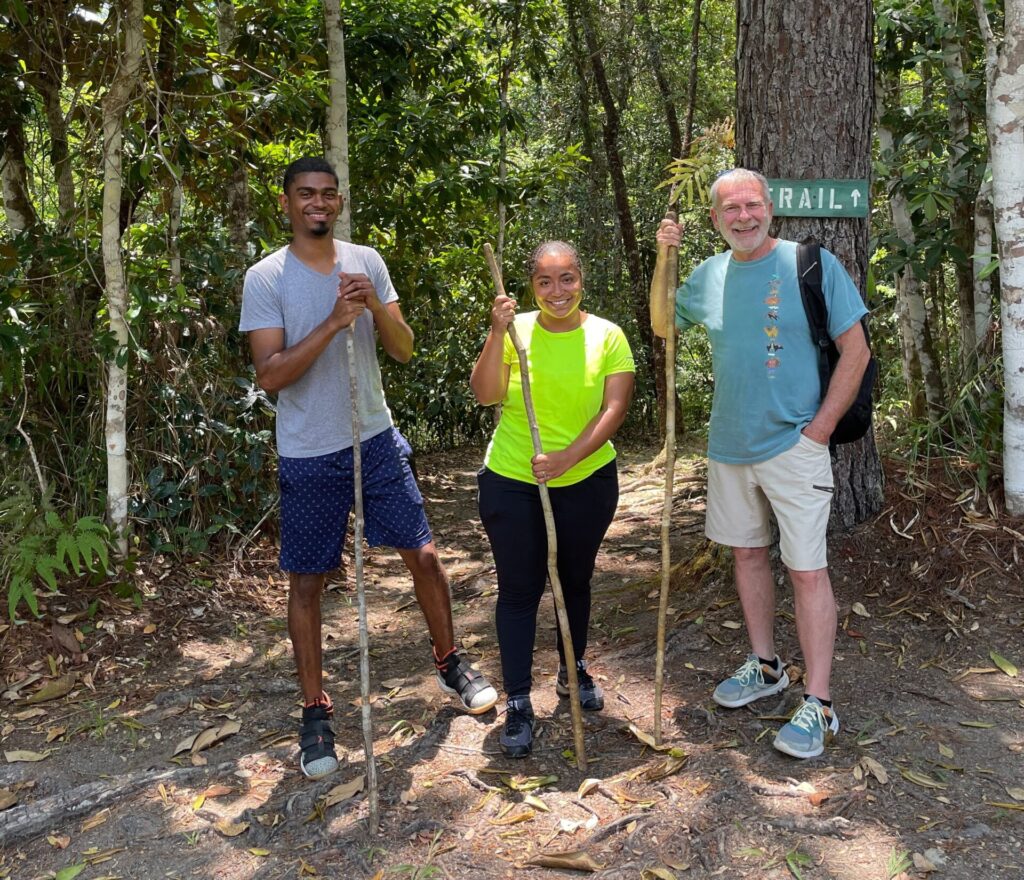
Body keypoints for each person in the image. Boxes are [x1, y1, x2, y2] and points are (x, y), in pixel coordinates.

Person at [239, 157, 497, 779]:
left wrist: (373, 308)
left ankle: (450, 662)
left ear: (339, 200)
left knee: (425, 555)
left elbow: (404, 349)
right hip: (308, 448)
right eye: (306, 195)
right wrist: (332, 321)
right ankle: (315, 716)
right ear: (287, 203)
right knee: (307, 581)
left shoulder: (368, 261)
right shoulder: (266, 276)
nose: (318, 204)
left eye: (328, 194)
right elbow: (270, 376)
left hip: (374, 438)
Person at [653, 168, 870, 759]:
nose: (743, 217)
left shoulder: (811, 263)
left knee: (806, 570)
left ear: (769, 207)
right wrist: (663, 258)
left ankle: (819, 704)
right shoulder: (710, 274)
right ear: (716, 219)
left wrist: (818, 431)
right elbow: (661, 322)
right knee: (747, 555)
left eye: (751, 205)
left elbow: (857, 351)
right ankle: (767, 666)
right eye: (730, 209)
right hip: (729, 446)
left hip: (794, 446)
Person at [471, 241, 635, 758]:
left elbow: (614, 408)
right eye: (545, 281)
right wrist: (497, 331)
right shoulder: (515, 328)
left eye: (566, 279)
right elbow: (485, 393)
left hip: (586, 478)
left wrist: (568, 457)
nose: (557, 291)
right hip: (513, 478)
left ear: (581, 278)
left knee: (574, 579)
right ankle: (519, 700)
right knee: (519, 590)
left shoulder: (607, 335)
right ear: (531, 285)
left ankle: (573, 666)